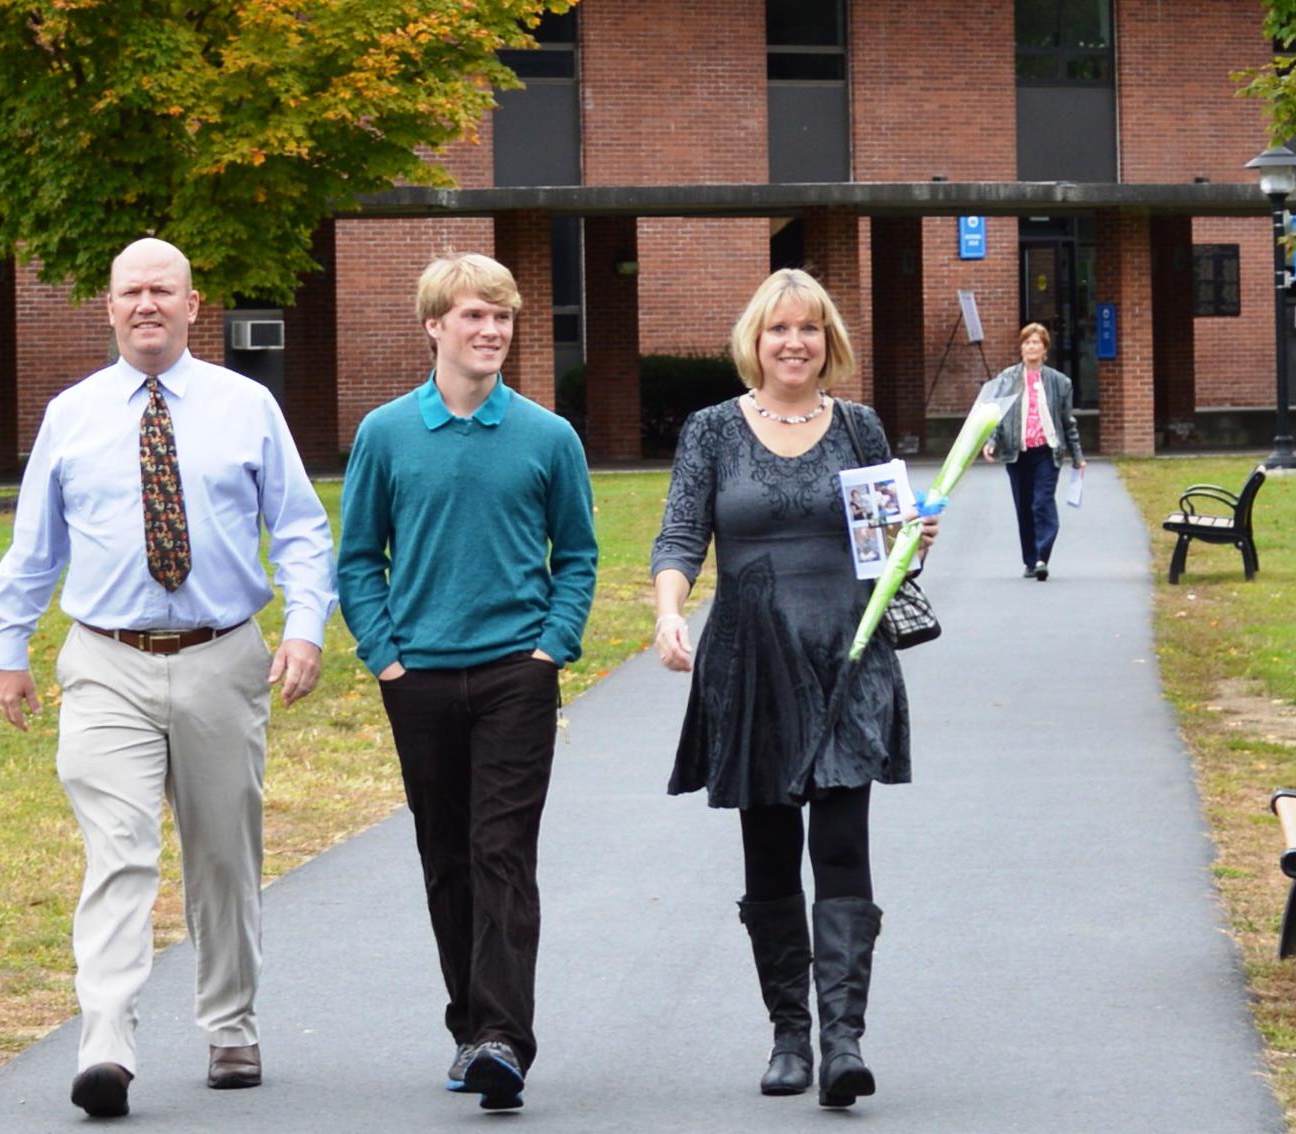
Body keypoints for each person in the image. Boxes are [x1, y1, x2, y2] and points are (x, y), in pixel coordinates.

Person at [0, 237, 336, 1120]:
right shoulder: (71, 414)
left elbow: (298, 528)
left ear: (193, 304)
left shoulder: (246, 405)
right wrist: (10, 644)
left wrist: (303, 629)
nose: (146, 304)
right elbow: (36, 546)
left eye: (163, 291)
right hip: (107, 661)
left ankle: (230, 1025)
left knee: (224, 855)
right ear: (108, 307)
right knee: (119, 851)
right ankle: (106, 1043)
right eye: (130, 292)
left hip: (223, 656)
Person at [650, 268, 937, 1110]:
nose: (794, 343)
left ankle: (843, 1038)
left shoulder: (858, 427)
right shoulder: (711, 430)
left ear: (828, 342)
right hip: (750, 665)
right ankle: (788, 1035)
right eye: (779, 329)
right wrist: (671, 613)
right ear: (755, 339)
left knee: (843, 845)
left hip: (847, 659)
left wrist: (917, 539)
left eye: (810, 329)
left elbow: (890, 556)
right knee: (769, 849)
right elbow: (678, 535)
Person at [337, 252, 597, 1112]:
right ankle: (468, 1028)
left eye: (503, 318)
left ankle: (502, 1038)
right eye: (474, 317)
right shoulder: (384, 435)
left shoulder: (548, 437)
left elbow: (580, 555)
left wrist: (551, 648)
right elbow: (358, 560)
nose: (491, 332)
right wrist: (386, 658)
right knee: (445, 857)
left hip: (515, 676)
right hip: (419, 681)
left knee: (501, 852)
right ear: (435, 327)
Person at [981, 322, 1086, 581]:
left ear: (1044, 349)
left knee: (1042, 502)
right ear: (1021, 348)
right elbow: (998, 413)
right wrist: (992, 441)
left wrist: (1078, 455)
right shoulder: (1007, 378)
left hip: (1046, 451)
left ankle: (1042, 556)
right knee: (1024, 506)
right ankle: (1030, 559)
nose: (1031, 347)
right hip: (1017, 452)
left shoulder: (1060, 382)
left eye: (1036, 342)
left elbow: (1067, 420)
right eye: (1027, 342)